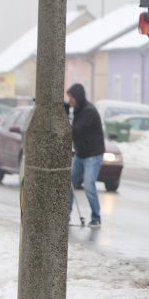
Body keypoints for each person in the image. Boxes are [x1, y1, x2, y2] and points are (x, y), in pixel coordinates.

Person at [66, 83, 105, 229]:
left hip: (93, 155)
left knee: (89, 185)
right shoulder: (77, 109)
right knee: (69, 184)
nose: (69, 100)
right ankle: (66, 214)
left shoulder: (89, 111)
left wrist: (65, 122)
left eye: (71, 97)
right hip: (81, 154)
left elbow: (76, 131)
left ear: (77, 97)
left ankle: (96, 218)